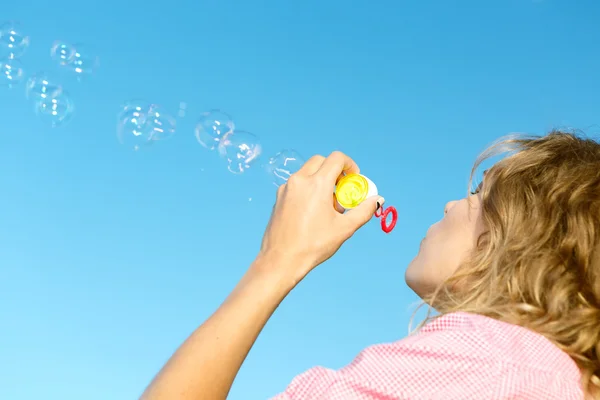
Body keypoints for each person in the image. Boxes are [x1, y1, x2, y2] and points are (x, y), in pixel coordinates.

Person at [139, 131, 600, 400]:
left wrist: (279, 259)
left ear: (524, 240)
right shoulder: (557, 381)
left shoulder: (477, 362)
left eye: (480, 194)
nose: (449, 205)